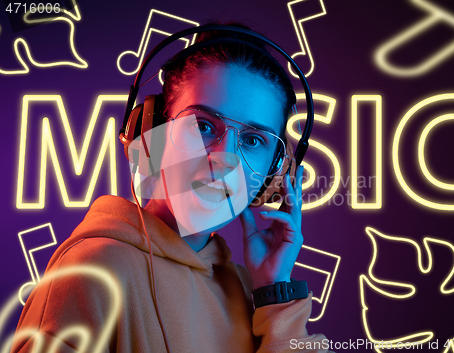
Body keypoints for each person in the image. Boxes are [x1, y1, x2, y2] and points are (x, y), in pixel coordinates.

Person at [10, 24, 331, 353]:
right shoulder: (91, 271)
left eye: (252, 140)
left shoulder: (249, 291)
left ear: (275, 172)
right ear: (151, 133)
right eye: (203, 126)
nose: (224, 160)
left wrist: (275, 294)